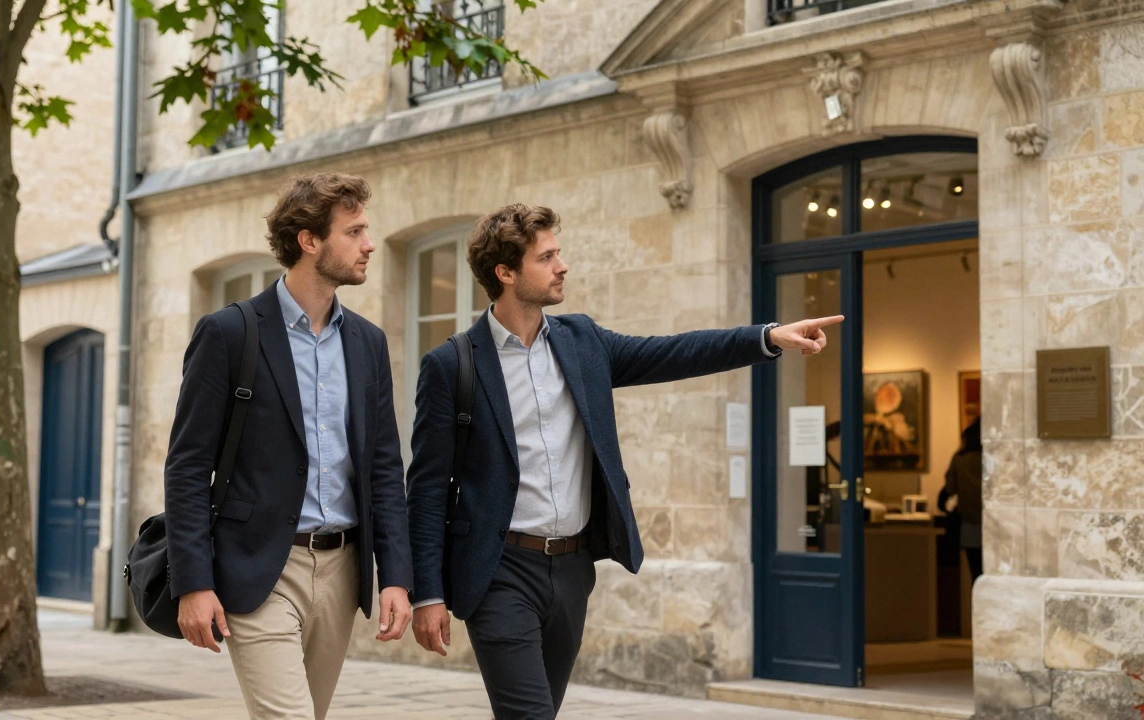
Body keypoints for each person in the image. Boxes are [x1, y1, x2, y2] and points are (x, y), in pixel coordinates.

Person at [405, 204, 843, 720]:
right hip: (500, 571)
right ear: (505, 273)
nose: (562, 265)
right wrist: (426, 594)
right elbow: (429, 489)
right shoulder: (452, 365)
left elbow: (673, 353)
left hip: (571, 570)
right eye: (546, 257)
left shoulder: (583, 341)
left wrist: (766, 338)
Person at [163, 172, 412, 720]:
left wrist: (396, 574)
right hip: (260, 569)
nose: (369, 244)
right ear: (309, 241)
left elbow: (383, 470)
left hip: (344, 569)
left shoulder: (367, 342)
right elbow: (187, 466)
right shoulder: (230, 333)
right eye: (354, 231)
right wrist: (194, 583)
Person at [940, 417, 983, 583]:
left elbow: (950, 488)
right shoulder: (995, 458)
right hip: (995, 527)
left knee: (976, 576)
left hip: (970, 526)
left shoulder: (960, 460)